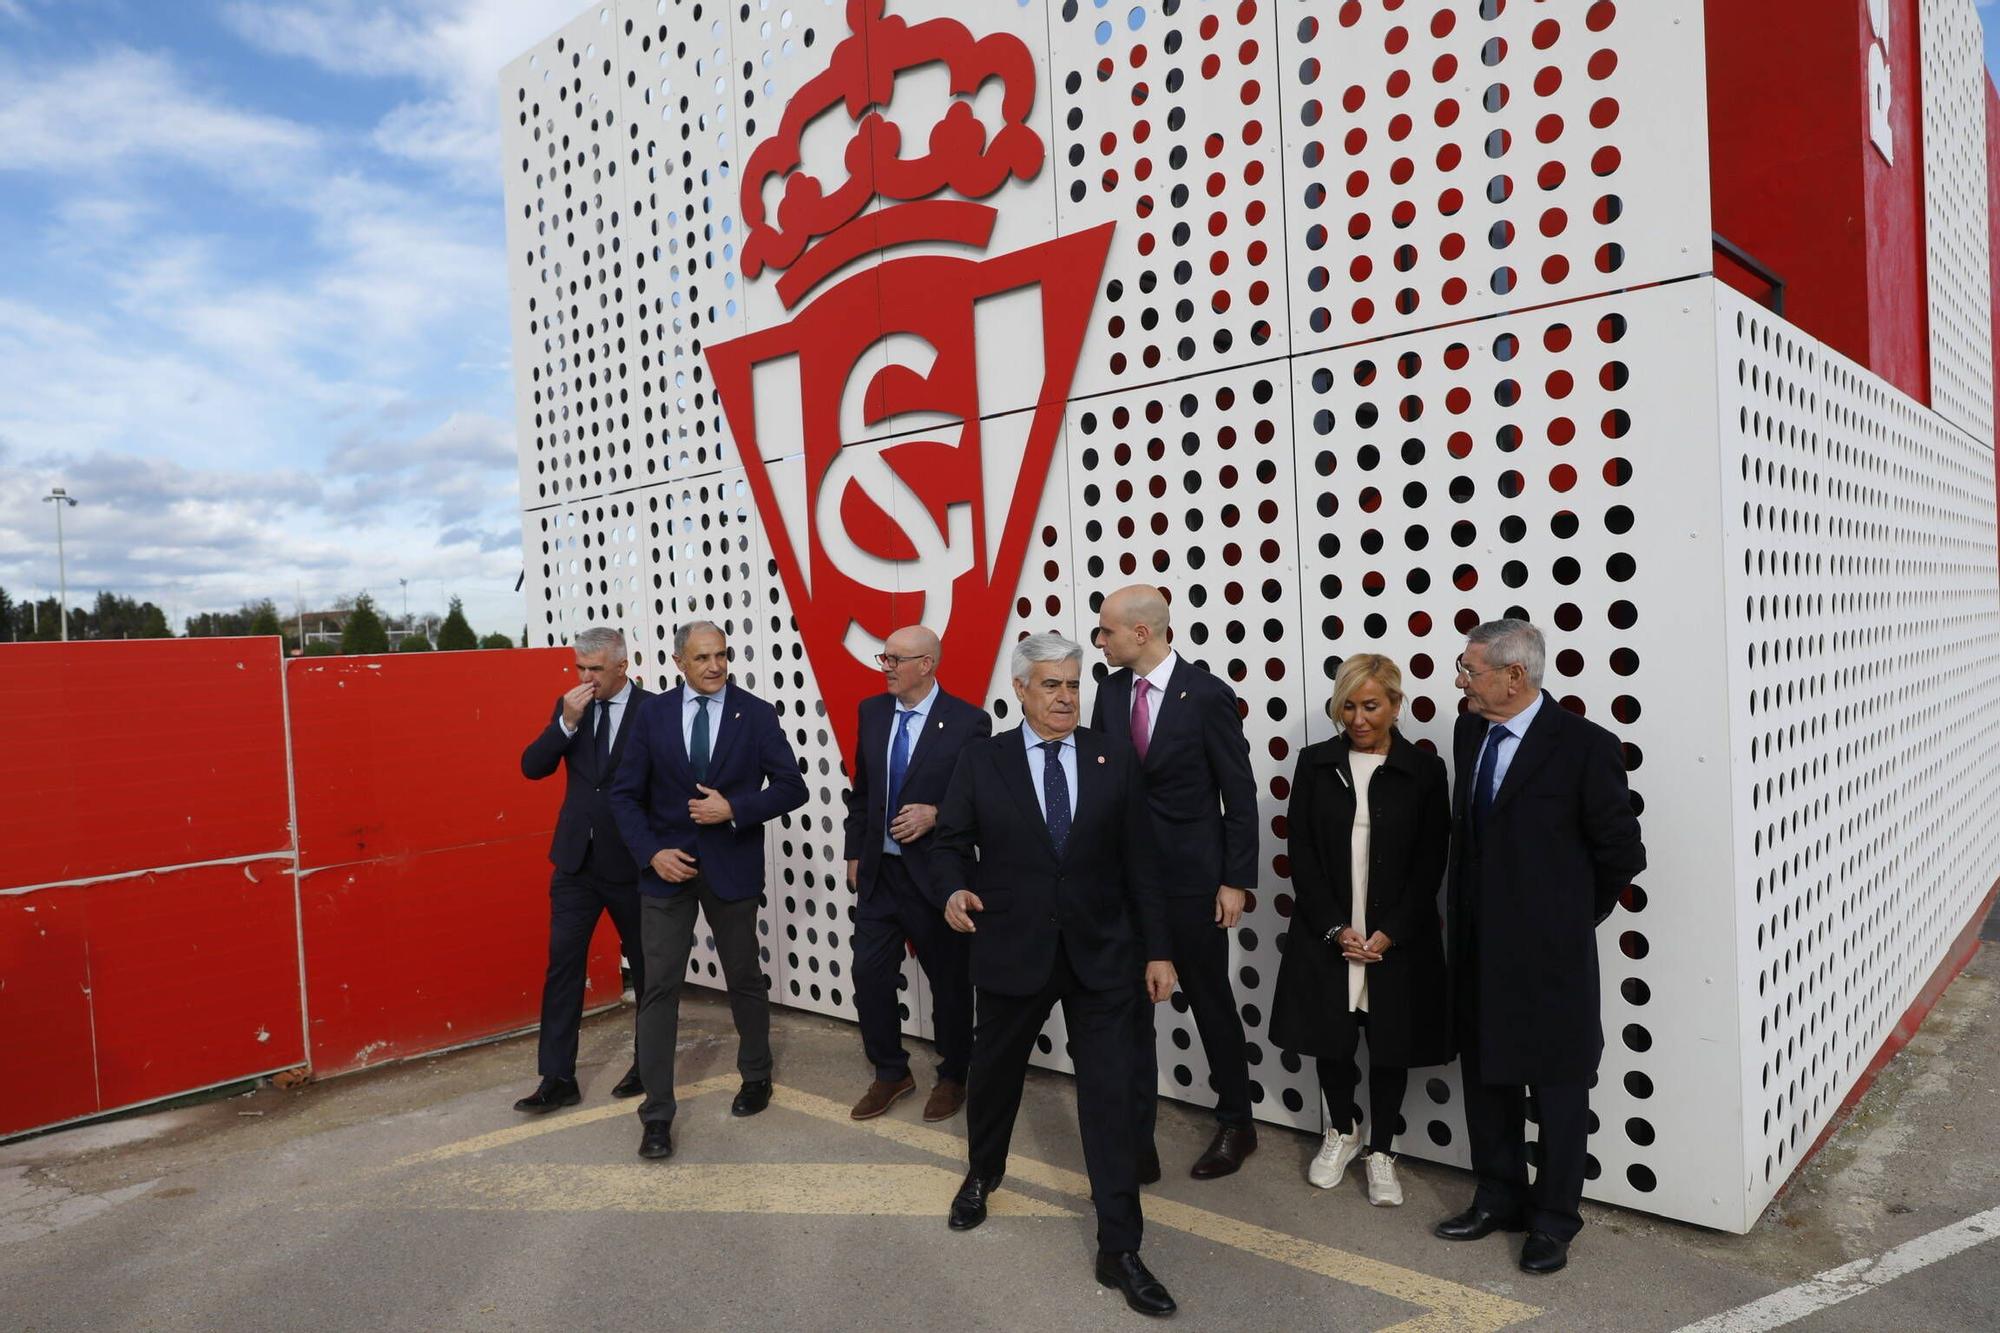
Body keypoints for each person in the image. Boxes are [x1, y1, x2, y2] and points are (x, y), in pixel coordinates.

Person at [935, 632, 1180, 1318]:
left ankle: (1120, 1246)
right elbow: (951, 841)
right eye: (1051, 684)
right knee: (994, 1076)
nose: (1067, 696)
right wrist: (952, 889)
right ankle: (984, 1171)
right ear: (1020, 690)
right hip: (1012, 949)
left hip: (1102, 954)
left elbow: (1142, 860)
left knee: (1108, 1097)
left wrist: (1157, 950)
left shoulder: (1113, 756)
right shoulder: (983, 760)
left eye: (1073, 683)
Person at [1433, 619, 1646, 1275]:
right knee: (1487, 1083)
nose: (1460, 681)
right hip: (1477, 952)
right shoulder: (1471, 731)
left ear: (1514, 675)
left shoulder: (1585, 747)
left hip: (1552, 962)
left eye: (1470, 670)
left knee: (1557, 1095)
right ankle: (1498, 1196)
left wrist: (1568, 919)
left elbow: (1621, 853)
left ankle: (1553, 1220)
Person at [609, 620, 808, 1160]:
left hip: (731, 868)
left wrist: (735, 809)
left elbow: (793, 787)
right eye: (702, 658)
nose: (715, 666)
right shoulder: (651, 715)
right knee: (659, 990)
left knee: (744, 977)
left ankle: (757, 1076)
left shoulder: (756, 713)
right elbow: (624, 796)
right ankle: (656, 1115)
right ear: (679, 663)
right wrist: (652, 852)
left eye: (721, 655)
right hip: (665, 871)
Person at [1268, 654, 1450, 1207]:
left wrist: (1390, 932)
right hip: (1330, 932)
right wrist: (1333, 927)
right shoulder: (1316, 763)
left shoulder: (1424, 771)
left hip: (1397, 937)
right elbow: (1299, 850)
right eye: (1348, 705)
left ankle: (1383, 1150)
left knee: (1390, 1042)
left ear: (1396, 704)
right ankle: (1342, 1130)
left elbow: (1430, 862)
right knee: (1333, 1037)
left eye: (1371, 705)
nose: (1358, 717)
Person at [1091, 584, 1260, 1181]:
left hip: (1192, 881)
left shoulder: (1208, 695)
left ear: (1142, 633)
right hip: (1126, 882)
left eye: (1106, 630)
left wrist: (1236, 879)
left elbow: (1238, 793)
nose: (1100, 640)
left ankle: (1238, 1123)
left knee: (1211, 1002)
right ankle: (1139, 1139)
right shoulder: (1109, 691)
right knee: (1134, 1005)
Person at [841, 624, 991, 1122]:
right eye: (884, 658)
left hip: (936, 877)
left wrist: (937, 814)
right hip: (880, 875)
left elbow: (984, 804)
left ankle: (953, 1075)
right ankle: (890, 1072)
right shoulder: (872, 711)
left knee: (950, 983)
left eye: (895, 660)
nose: (885, 668)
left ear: (926, 665)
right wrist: (854, 851)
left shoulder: (969, 722)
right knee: (868, 975)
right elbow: (862, 790)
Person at [513, 627, 653, 1112]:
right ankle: (557, 1078)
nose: (586, 678)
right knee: (563, 968)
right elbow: (532, 767)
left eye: (596, 669)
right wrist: (566, 725)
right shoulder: (571, 707)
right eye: (580, 668)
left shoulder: (652, 710)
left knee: (649, 970)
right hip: (575, 863)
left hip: (633, 865)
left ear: (622, 666)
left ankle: (648, 1065)